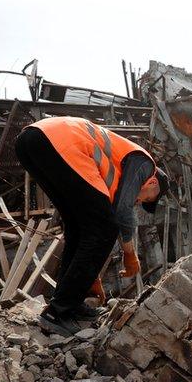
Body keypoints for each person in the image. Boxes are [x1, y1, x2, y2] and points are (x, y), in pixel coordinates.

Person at [15, 116, 169, 336]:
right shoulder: (145, 164)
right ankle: (59, 312)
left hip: (32, 141)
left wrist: (89, 277)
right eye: (145, 199)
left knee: (79, 228)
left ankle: (68, 302)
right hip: (58, 142)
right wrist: (129, 255)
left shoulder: (116, 170)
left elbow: (89, 236)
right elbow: (122, 211)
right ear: (153, 183)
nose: (139, 201)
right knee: (106, 228)